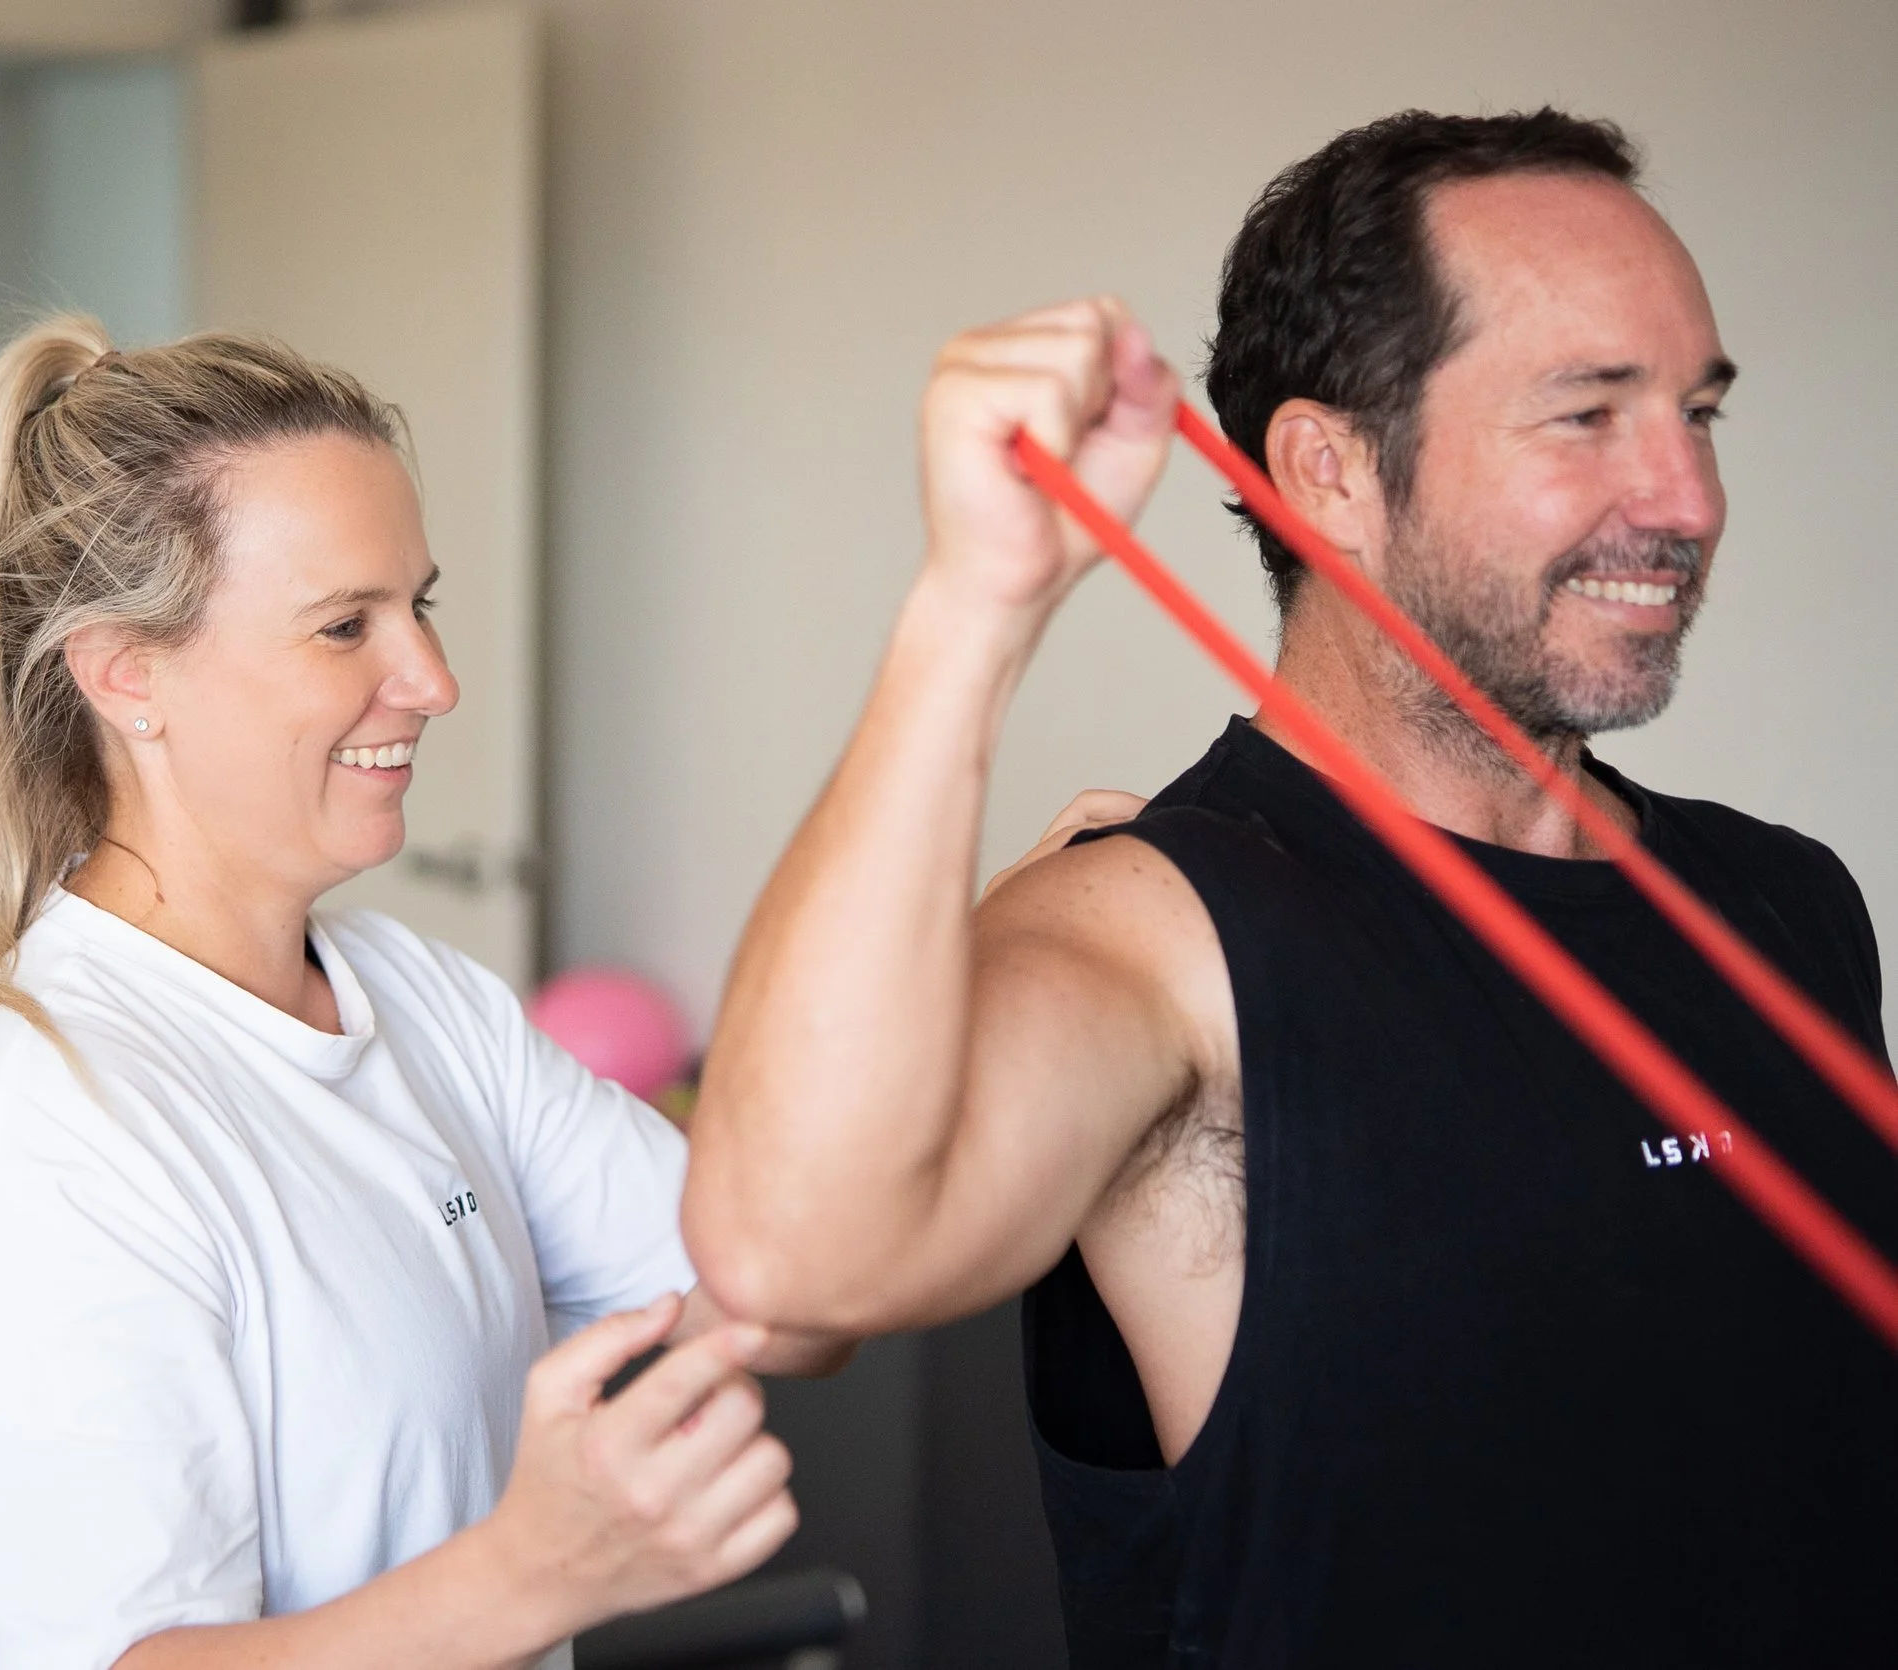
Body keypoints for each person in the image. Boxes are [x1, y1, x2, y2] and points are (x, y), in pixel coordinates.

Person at [682, 108, 1898, 1664]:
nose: (1686, 499)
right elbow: (795, 1255)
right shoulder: (1159, 942)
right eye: (1586, 416)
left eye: (1699, 414)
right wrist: (972, 607)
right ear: (1326, 469)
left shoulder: (1790, 900)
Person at [0, 320, 836, 1670]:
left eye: (419, 604)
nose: (430, 679)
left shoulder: (420, 1003)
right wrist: (538, 1568)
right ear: (128, 671)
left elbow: (781, 1288)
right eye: (344, 624)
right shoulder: (35, 1138)